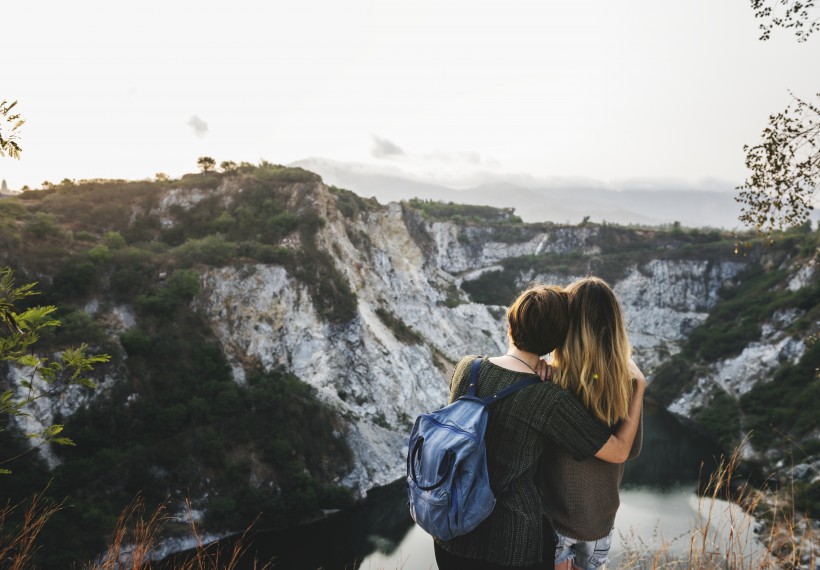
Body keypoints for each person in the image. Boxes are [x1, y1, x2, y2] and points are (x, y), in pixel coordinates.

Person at [434, 284, 646, 570]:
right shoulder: (548, 398)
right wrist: (639, 385)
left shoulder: (467, 368)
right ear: (555, 341)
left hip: (451, 528)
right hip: (511, 543)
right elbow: (620, 450)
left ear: (509, 324)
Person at [540, 277, 644, 570]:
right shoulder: (625, 384)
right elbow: (630, 448)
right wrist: (640, 388)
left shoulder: (550, 380)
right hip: (600, 523)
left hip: (556, 520)